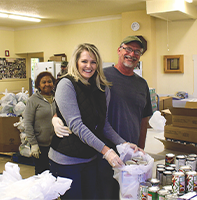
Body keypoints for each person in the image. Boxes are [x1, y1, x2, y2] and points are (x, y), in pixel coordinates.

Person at [52, 36, 153, 199]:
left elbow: (104, 123)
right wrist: (55, 117)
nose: (88, 66)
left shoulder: (101, 85)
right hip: (76, 157)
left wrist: (127, 144)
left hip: (95, 156)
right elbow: (74, 121)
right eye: (84, 61)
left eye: (93, 62)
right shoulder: (72, 82)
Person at [23, 71, 56, 175]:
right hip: (40, 146)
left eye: (49, 81)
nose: (47, 84)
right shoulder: (33, 100)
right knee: (42, 174)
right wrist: (33, 144)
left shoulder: (58, 97)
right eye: (44, 82)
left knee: (55, 173)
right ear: (38, 85)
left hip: (56, 145)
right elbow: (28, 123)